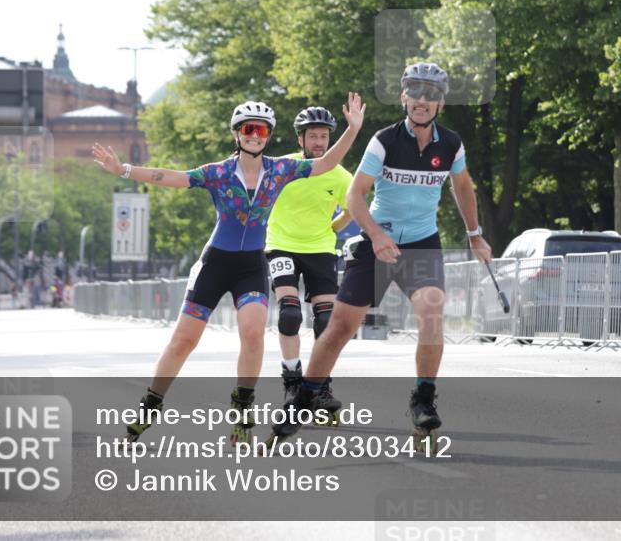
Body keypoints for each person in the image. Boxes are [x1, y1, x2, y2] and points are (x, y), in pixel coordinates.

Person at [92, 94, 364, 444]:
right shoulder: (218, 173)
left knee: (252, 335)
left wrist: (353, 129)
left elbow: (327, 163)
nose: (255, 135)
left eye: (262, 130)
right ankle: (150, 405)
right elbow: (170, 176)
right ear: (237, 133)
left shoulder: (280, 170)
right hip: (215, 264)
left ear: (268, 136)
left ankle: (242, 410)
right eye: (249, 129)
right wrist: (122, 169)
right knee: (183, 342)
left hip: (250, 266)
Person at [269, 63, 492, 451]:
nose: (421, 101)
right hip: (376, 242)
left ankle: (423, 399)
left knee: (432, 314)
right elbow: (355, 196)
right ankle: (304, 401)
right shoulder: (384, 140)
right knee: (339, 328)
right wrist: (375, 236)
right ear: (404, 97)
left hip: (421, 243)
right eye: (414, 93)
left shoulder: (451, 144)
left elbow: (462, 186)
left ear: (439, 102)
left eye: (430, 95)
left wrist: (475, 235)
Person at [264, 107, 353, 413]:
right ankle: (291, 383)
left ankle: (320, 388)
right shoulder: (283, 167)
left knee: (327, 321)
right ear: (300, 138)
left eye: (324, 136)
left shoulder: (339, 174)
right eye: (312, 136)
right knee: (289, 314)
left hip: (320, 250)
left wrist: (334, 227)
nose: (319, 142)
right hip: (282, 246)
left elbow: (354, 207)